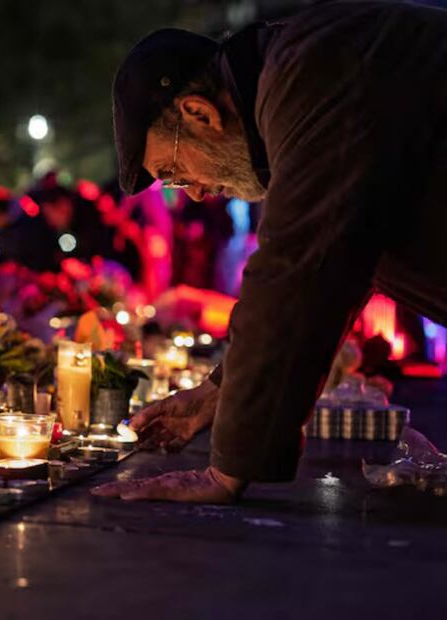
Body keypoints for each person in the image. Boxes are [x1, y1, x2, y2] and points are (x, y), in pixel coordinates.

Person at [92, 2, 447, 504]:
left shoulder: (310, 75)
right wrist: (220, 390)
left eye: (173, 172)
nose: (194, 193)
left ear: (199, 113)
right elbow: (333, 256)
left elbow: (297, 268)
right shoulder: (297, 72)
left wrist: (227, 470)